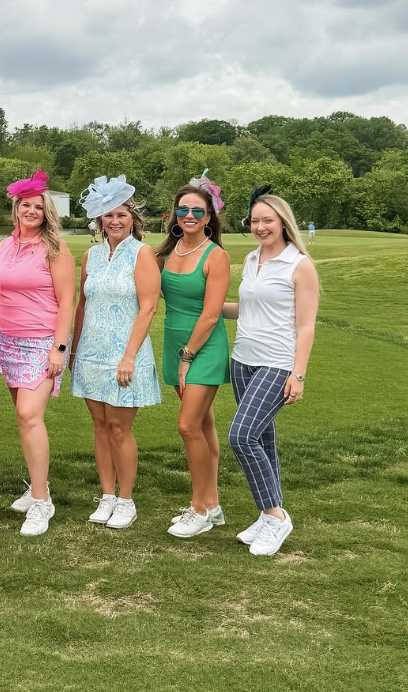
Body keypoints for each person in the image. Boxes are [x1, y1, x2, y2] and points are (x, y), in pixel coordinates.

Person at [222, 187, 319, 556]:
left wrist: (298, 373)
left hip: (278, 363)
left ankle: (275, 515)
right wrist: (205, 304)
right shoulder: (251, 259)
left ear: (283, 223)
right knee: (261, 438)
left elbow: (306, 325)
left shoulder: (299, 265)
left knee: (241, 436)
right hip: (243, 359)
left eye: (268, 221)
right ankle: (267, 515)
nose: (260, 227)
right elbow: (246, 309)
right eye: (255, 220)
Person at [70, 175, 161, 530]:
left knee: (120, 429)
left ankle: (126, 500)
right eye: (108, 215)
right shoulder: (90, 256)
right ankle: (107, 495)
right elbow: (82, 305)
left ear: (133, 218)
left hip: (126, 354)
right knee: (99, 426)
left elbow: (149, 307)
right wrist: (74, 351)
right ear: (99, 221)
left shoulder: (142, 253)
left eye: (122, 214)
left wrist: (128, 356)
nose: (115, 221)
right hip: (91, 353)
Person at [0, 170, 76, 537]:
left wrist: (59, 348)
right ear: (16, 208)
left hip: (42, 342)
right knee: (22, 418)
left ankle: (42, 500)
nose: (31, 211)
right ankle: (35, 487)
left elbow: (67, 301)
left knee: (29, 415)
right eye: (25, 205)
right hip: (5, 340)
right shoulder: (5, 246)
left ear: (47, 213)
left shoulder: (56, 249)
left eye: (38, 207)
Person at [157, 170, 231, 539]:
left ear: (209, 217)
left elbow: (212, 313)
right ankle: (212, 505)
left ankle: (200, 507)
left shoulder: (215, 255)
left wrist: (188, 355)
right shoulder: (169, 250)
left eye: (198, 211)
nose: (189, 216)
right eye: (183, 209)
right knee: (203, 425)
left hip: (203, 348)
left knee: (187, 426)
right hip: (174, 343)